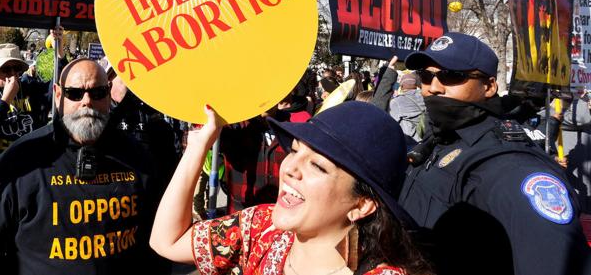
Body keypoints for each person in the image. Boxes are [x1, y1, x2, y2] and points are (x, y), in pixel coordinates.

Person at [150, 101, 432, 275]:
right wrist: (199, 144)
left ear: (362, 205)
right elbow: (167, 242)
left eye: (318, 166)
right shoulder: (261, 228)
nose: (290, 168)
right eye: (295, 151)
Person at [398, 32, 591, 275]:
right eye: (425, 77)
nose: (433, 88)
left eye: (451, 76)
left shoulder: (512, 169)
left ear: (489, 86)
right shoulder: (438, 142)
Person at [0, 59, 167, 275]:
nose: (87, 102)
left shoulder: (138, 157)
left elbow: (158, 241)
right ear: (58, 94)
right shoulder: (19, 161)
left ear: (108, 94)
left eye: (97, 92)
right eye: (75, 93)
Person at [0, 37, 64, 208]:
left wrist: (59, 52)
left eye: (16, 69)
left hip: (21, 176)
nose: (12, 74)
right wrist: (5, 100)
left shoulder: (26, 87)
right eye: (6, 69)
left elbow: (55, 89)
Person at [389, 72, 426, 143]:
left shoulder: (396, 102)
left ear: (401, 86)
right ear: (415, 85)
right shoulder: (425, 95)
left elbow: (392, 124)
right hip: (428, 134)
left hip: (412, 141)